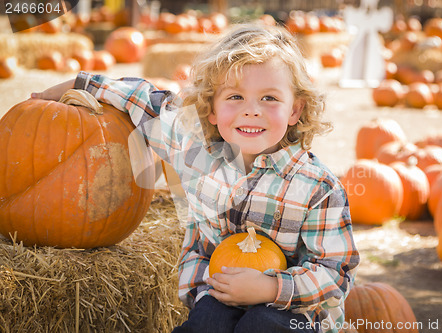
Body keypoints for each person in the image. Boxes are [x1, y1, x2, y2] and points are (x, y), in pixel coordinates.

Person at [32, 24, 359, 333]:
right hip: (218, 296)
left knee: (262, 323)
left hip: (294, 312)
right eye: (235, 97)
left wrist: (270, 287)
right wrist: (80, 84)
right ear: (212, 110)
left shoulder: (317, 187)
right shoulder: (198, 154)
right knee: (208, 320)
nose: (252, 110)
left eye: (269, 98)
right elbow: (146, 101)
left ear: (295, 110)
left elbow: (336, 274)